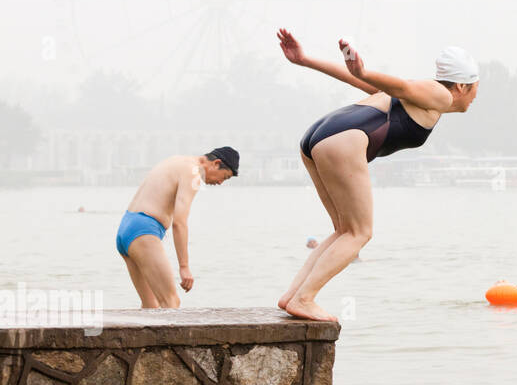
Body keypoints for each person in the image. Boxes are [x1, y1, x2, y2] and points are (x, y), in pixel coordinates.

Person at [275, 29, 479, 321]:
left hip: (316, 138)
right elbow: (402, 85)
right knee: (360, 233)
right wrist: (365, 69)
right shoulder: (440, 94)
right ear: (461, 86)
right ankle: (305, 299)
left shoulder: (420, 99)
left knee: (344, 231)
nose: (475, 96)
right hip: (342, 142)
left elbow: (356, 80)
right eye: (475, 87)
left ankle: (293, 296)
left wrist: (306, 60)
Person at [116, 148, 238, 308]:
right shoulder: (194, 173)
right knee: (171, 303)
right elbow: (179, 222)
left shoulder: (177, 160)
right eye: (225, 177)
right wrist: (184, 267)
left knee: (150, 306)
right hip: (144, 230)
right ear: (216, 164)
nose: (220, 182)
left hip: (127, 228)